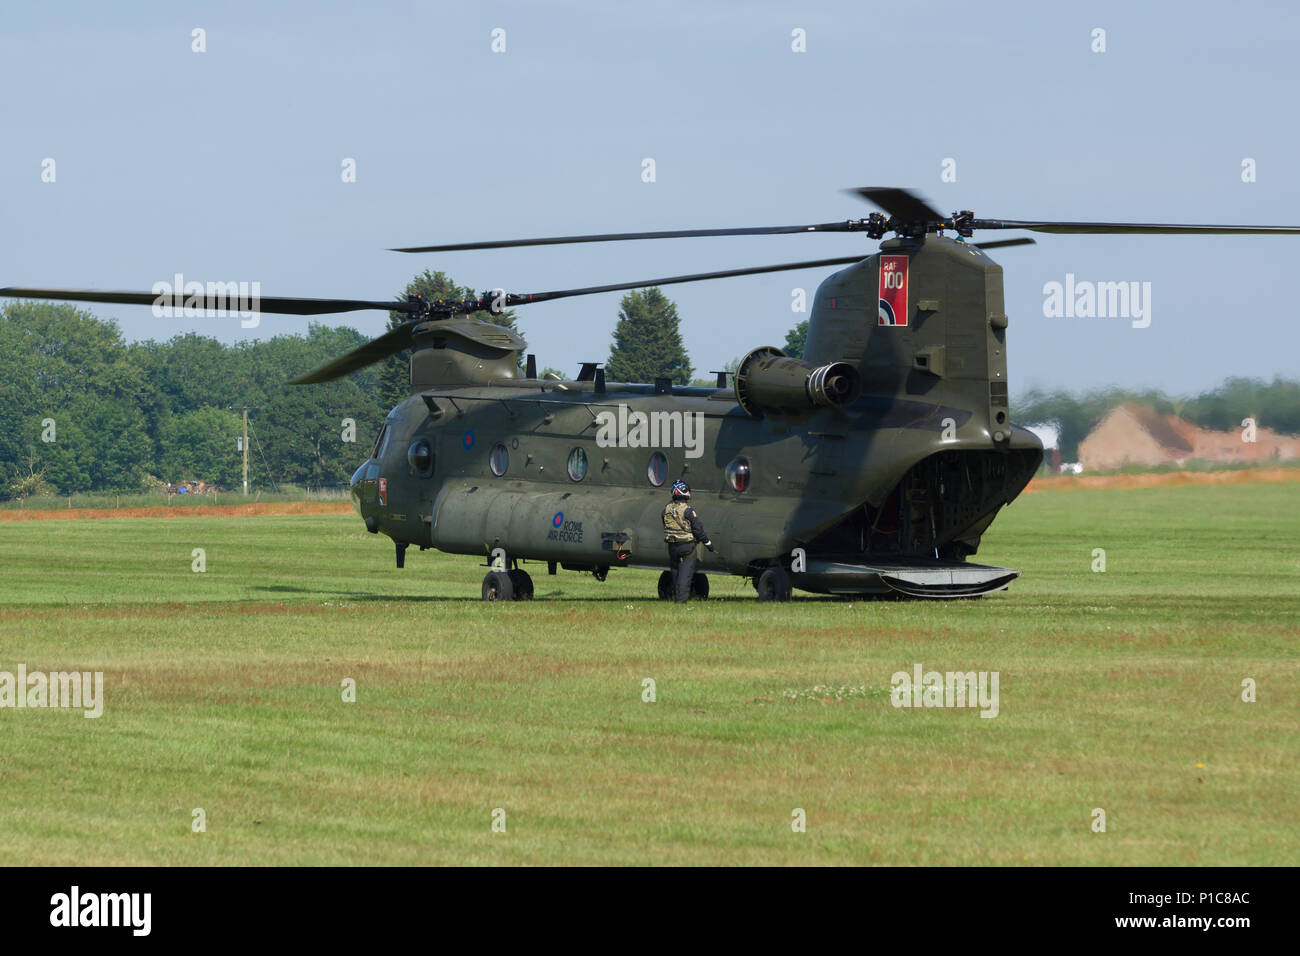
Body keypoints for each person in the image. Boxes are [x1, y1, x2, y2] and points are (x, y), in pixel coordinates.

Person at [662, 479, 713, 603]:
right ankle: (680, 601)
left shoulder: (667, 509)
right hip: (687, 547)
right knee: (685, 575)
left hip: (672, 546)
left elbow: (665, 524)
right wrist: (708, 543)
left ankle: (674, 596)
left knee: (675, 571)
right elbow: (698, 529)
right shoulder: (688, 510)